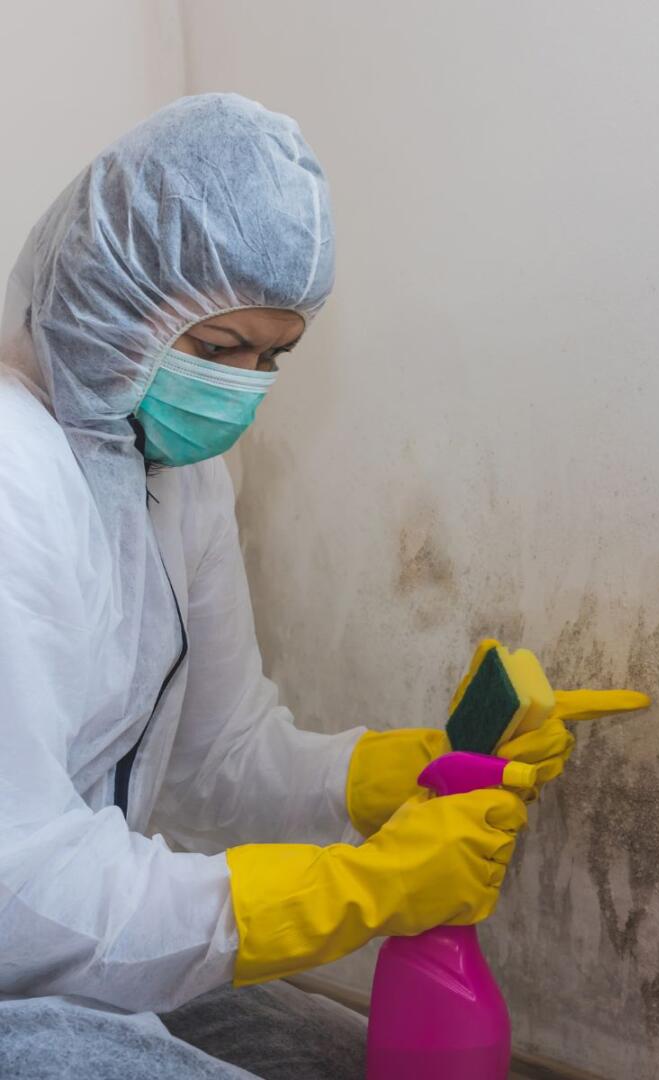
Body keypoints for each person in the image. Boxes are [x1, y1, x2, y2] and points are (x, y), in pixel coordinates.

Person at [0, 94, 582, 1079]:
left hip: (78, 970)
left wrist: (384, 778)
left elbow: (214, 752)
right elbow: (21, 888)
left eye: (275, 356)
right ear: (109, 299)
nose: (246, 388)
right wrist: (353, 890)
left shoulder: (174, 477)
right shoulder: (13, 481)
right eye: (222, 351)